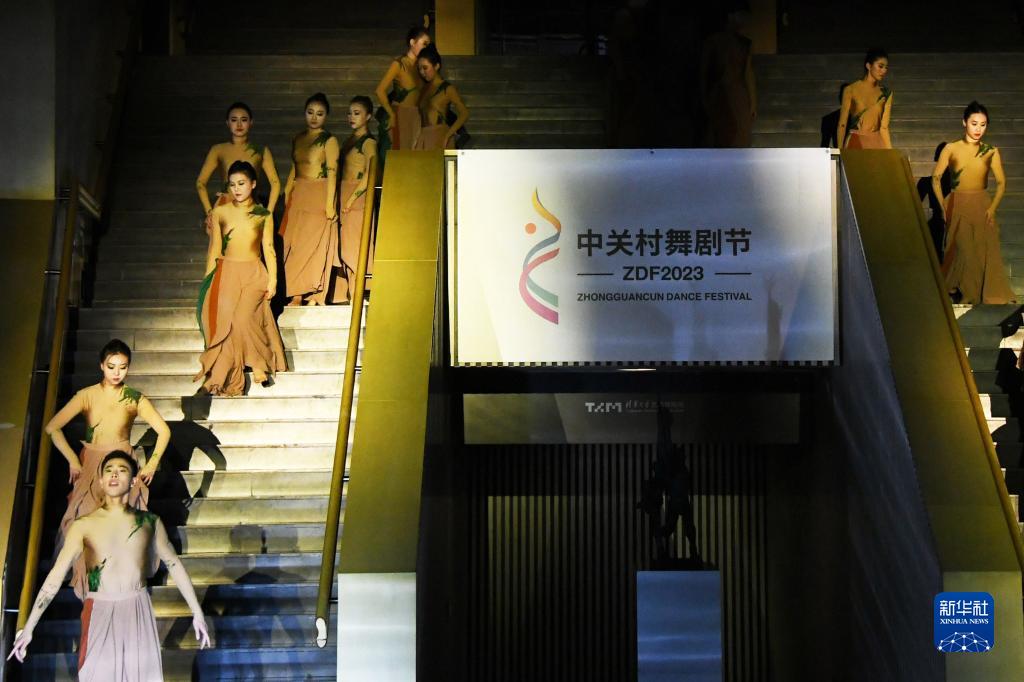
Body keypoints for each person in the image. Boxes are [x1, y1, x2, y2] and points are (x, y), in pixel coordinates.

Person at [8, 452, 211, 680]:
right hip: (99, 609)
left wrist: (197, 613)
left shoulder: (149, 522)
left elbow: (173, 563)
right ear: (101, 481)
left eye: (122, 470)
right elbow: (56, 576)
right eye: (109, 470)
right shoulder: (83, 525)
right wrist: (29, 628)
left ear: (133, 481)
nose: (114, 474)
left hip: (137, 607)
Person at [46, 338, 170, 599]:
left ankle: (120, 587)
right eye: (111, 366)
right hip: (92, 465)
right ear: (101, 365)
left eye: (123, 367)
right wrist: (73, 460)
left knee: (123, 526)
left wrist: (151, 464)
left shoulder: (134, 397)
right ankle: (93, 590)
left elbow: (164, 431)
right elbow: (52, 427)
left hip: (122, 462)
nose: (117, 373)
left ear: (129, 367)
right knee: (87, 524)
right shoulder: (87, 395)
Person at [197, 160, 287, 395]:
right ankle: (223, 375)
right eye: (232, 184)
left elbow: (269, 248)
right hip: (226, 272)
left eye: (242, 183)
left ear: (253, 184)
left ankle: (258, 362)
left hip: (254, 273)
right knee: (226, 324)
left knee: (242, 317)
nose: (236, 189)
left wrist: (273, 280)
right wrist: (208, 280)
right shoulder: (220, 212)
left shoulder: (263, 214)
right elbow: (215, 249)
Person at [932, 101, 1015, 304]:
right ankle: (965, 292)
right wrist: (943, 206)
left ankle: (977, 294)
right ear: (964, 122)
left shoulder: (991, 150)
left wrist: (992, 208)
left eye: (983, 125)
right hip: (958, 202)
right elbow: (935, 178)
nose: (978, 129)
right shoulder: (951, 148)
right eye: (974, 123)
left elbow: (1002, 183)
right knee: (963, 249)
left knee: (983, 249)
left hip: (982, 203)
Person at [279, 93, 344, 306]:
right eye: (310, 112)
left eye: (320, 113)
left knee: (311, 244)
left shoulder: (329, 140)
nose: (314, 117)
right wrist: (287, 189)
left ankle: (306, 295)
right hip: (299, 193)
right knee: (294, 244)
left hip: (318, 192)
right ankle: (296, 292)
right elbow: (294, 166)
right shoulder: (297, 138)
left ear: (326, 116)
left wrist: (330, 204)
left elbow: (332, 171)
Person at [195, 102, 281, 234]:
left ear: (251, 123)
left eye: (244, 120)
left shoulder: (261, 150)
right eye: (234, 120)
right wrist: (209, 211)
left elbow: (275, 183)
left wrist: (268, 212)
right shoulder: (218, 150)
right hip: (225, 206)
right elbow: (200, 182)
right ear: (227, 123)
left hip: (252, 207)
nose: (239, 124)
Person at [339, 96, 379, 302]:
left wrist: (351, 199)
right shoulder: (350, 140)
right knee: (346, 245)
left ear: (368, 116)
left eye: (357, 113)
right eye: (350, 113)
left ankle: (357, 294)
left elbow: (371, 173)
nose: (351, 117)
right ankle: (352, 293)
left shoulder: (368, 142)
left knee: (354, 245)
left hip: (358, 196)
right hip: (345, 192)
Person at [700, 7, 757, 148]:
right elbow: (703, 71)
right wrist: (704, 97)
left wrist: (753, 101)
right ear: (731, 16)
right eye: (741, 15)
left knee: (741, 134)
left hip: (739, 94)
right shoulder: (713, 41)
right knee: (722, 134)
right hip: (720, 93)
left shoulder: (744, 43)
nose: (745, 20)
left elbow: (748, 73)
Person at [374, 25, 431, 153]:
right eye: (424, 44)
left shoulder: (422, 67)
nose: (426, 48)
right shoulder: (399, 64)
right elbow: (380, 90)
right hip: (401, 113)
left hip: (417, 115)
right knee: (401, 153)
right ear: (412, 42)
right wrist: (391, 114)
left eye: (428, 45)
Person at [414, 45, 469, 150]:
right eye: (419, 68)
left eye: (425, 68)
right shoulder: (423, 89)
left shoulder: (447, 88)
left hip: (440, 136)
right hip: (423, 136)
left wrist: (448, 134)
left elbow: (464, 113)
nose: (422, 72)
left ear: (436, 66)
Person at [837, 48, 893, 149]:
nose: (884, 71)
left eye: (886, 67)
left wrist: (890, 153)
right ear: (868, 66)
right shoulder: (850, 89)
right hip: (855, 142)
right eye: (880, 66)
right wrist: (840, 151)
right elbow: (842, 124)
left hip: (876, 143)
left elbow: (884, 128)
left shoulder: (886, 93)